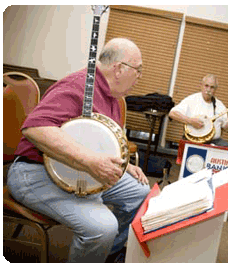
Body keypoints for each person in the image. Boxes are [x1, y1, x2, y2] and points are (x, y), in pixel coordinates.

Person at [7, 38, 150, 263]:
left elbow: (96, 142)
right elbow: (34, 128)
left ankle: (108, 252)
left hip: (78, 170)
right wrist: (90, 160)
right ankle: (100, 244)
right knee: (103, 226)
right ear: (119, 69)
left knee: (140, 193)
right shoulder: (77, 85)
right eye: (138, 70)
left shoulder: (113, 98)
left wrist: (124, 164)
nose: (140, 77)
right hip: (32, 172)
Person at [168, 74, 228, 148]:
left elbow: (227, 129)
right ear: (201, 86)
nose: (208, 89)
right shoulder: (192, 99)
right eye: (206, 86)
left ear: (215, 89)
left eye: (212, 87)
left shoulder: (219, 105)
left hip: (214, 142)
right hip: (193, 141)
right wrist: (190, 121)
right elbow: (172, 113)